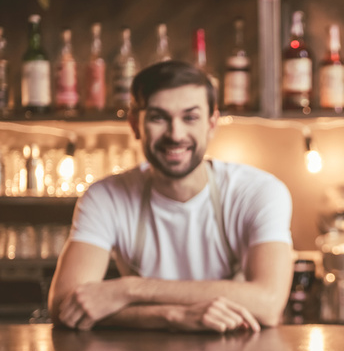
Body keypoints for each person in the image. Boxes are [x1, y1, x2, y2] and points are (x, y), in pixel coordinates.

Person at [48, 60, 293, 333]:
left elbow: (269, 304)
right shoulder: (105, 196)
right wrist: (172, 315)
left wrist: (129, 290)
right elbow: (64, 306)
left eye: (190, 117)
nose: (175, 134)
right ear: (135, 124)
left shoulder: (257, 191)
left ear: (212, 124)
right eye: (158, 117)